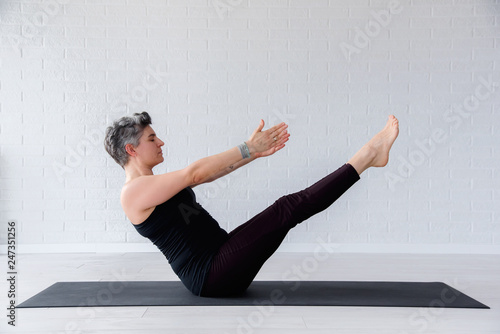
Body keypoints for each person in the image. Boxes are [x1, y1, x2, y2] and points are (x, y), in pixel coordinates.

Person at [104, 112, 399, 297]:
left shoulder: (152, 185)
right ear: (132, 149)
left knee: (287, 209)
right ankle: (367, 156)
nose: (161, 143)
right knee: (287, 208)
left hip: (220, 256)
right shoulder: (133, 193)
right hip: (210, 275)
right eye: (152, 138)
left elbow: (208, 175)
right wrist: (246, 148)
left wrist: (251, 154)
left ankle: (368, 158)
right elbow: (194, 172)